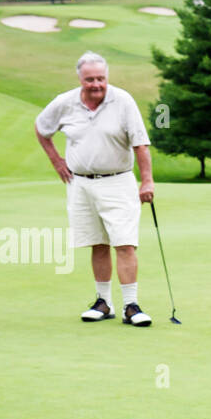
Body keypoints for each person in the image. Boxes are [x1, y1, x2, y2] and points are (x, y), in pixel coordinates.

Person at [34, 51, 155, 326]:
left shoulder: (123, 100)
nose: (96, 84)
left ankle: (131, 306)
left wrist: (147, 180)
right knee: (97, 243)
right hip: (80, 183)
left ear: (107, 77)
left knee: (124, 243)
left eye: (101, 78)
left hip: (118, 180)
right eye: (90, 79)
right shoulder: (64, 103)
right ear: (80, 79)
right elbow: (42, 129)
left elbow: (140, 144)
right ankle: (103, 303)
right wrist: (56, 160)